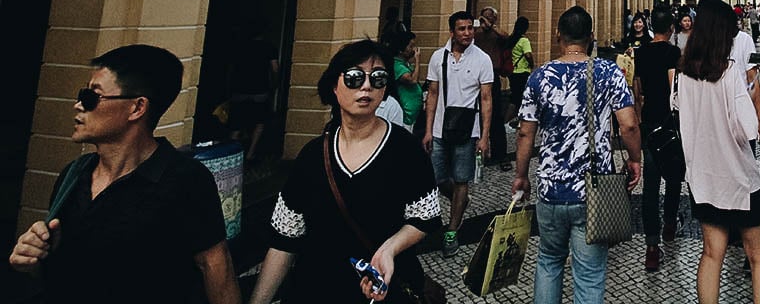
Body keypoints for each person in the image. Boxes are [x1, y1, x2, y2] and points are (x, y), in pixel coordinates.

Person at [9, 45, 240, 304]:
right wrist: (33, 260)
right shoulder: (74, 175)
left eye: (91, 96)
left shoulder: (185, 181)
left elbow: (216, 269)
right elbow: (62, 277)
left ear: (137, 108)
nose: (78, 106)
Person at [248, 40, 440, 304]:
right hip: (314, 290)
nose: (366, 85)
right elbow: (285, 241)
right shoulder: (312, 156)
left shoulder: (405, 150)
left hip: (381, 292)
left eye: (378, 78)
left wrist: (390, 248)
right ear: (334, 87)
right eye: (354, 77)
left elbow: (424, 218)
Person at [512, 6, 641, 304]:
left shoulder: (539, 77)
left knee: (548, 262)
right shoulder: (608, 72)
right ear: (591, 37)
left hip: (551, 190)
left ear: (559, 35)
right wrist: (635, 159)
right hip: (593, 193)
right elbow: (629, 125)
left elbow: (525, 133)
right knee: (590, 275)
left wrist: (521, 176)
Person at [677, 0, 760, 304]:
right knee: (759, 256)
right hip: (738, 179)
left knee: (711, 253)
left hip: (703, 177)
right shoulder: (731, 73)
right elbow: (746, 129)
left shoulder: (683, 75)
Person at [424, 11, 494, 256]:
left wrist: (484, 137)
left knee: (462, 178)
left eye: (470, 28)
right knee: (436, 178)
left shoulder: (482, 59)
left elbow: (486, 99)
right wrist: (428, 129)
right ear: (452, 32)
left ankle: (452, 229)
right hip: (440, 128)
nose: (467, 33)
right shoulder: (438, 57)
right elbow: (432, 94)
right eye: (462, 29)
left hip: (468, 130)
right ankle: (459, 200)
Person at [636, 5, 683, 271]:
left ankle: (652, 247)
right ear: (671, 28)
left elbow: (638, 89)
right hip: (669, 123)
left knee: (651, 185)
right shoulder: (673, 53)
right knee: (674, 175)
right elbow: (673, 88)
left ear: (652, 26)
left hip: (649, 122)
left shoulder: (641, 53)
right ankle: (669, 225)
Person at [229, 27, 279, 163]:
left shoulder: (240, 47)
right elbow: (275, 69)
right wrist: (274, 86)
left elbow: (231, 68)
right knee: (259, 122)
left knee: (237, 123)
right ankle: (250, 152)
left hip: (239, 89)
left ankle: (232, 157)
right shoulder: (268, 47)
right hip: (260, 90)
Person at [473, 6, 512, 169]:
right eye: (484, 16)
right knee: (475, 115)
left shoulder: (497, 33)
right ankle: (476, 153)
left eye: (490, 16)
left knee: (495, 116)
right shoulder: (476, 32)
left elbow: (507, 38)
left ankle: (500, 154)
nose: (486, 19)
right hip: (474, 76)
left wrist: (492, 26)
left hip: (492, 76)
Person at [507, 16, 534, 125]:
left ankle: (516, 120)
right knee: (518, 99)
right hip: (522, 72)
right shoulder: (524, 40)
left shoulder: (512, 39)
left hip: (513, 71)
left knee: (516, 97)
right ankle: (507, 122)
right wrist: (532, 64)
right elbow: (528, 54)